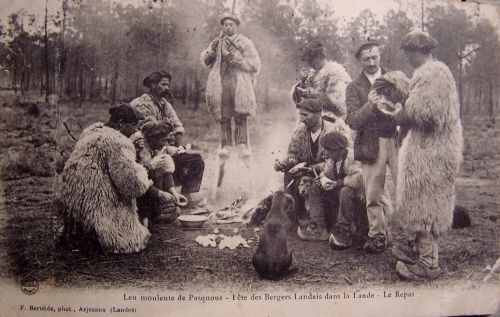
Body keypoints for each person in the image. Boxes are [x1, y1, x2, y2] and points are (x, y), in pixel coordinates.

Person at [385, 31, 463, 280]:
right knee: (420, 202)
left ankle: (428, 265)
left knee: (427, 206)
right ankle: (419, 251)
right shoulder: (428, 73)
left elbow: (430, 114)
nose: (406, 57)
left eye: (408, 52)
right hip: (428, 150)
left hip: (434, 153)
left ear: (418, 50)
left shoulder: (435, 73)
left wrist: (401, 113)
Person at [56, 104, 176, 254]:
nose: (136, 131)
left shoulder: (91, 133)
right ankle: (97, 239)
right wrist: (150, 167)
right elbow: (131, 184)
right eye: (133, 126)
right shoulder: (117, 141)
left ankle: (77, 236)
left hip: (75, 204)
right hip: (98, 205)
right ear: (120, 123)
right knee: (133, 238)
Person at [345, 40, 397, 254]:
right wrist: (370, 106)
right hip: (370, 145)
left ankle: (410, 236)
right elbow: (352, 120)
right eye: (366, 59)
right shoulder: (354, 86)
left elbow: (407, 105)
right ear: (360, 60)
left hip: (396, 140)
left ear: (380, 54)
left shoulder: (393, 80)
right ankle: (377, 236)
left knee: (405, 187)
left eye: (374, 57)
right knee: (373, 193)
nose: (371, 62)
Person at [274, 99, 352, 240]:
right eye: (301, 115)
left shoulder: (333, 129)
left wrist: (315, 168)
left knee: (315, 185)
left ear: (318, 113)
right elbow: (293, 154)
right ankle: (294, 217)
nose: (302, 119)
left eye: (305, 115)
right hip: (306, 170)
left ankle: (320, 223)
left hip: (328, 173)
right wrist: (284, 164)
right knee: (289, 175)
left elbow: (337, 158)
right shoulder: (300, 130)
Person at [130, 71, 206, 206]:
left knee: (196, 160)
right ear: (153, 84)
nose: (167, 88)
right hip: (146, 152)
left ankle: (185, 196)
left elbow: (178, 127)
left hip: (165, 148)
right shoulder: (141, 104)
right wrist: (167, 143)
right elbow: (150, 131)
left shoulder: (165, 104)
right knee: (160, 166)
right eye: (163, 84)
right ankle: (159, 196)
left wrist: (175, 147)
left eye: (168, 85)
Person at [200, 12, 261, 160]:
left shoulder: (246, 43)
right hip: (222, 83)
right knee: (224, 116)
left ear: (236, 26)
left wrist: (240, 62)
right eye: (225, 25)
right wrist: (212, 51)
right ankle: (225, 146)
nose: (228, 27)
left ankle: (242, 146)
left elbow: (255, 65)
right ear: (223, 27)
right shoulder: (217, 42)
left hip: (240, 83)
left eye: (231, 25)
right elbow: (207, 62)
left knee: (241, 115)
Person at [292, 40, 352, 123]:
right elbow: (298, 102)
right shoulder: (312, 73)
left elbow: (340, 105)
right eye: (308, 61)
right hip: (308, 120)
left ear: (320, 56)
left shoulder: (335, 72)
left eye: (311, 60)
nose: (309, 64)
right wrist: (302, 82)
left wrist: (314, 94)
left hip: (329, 121)